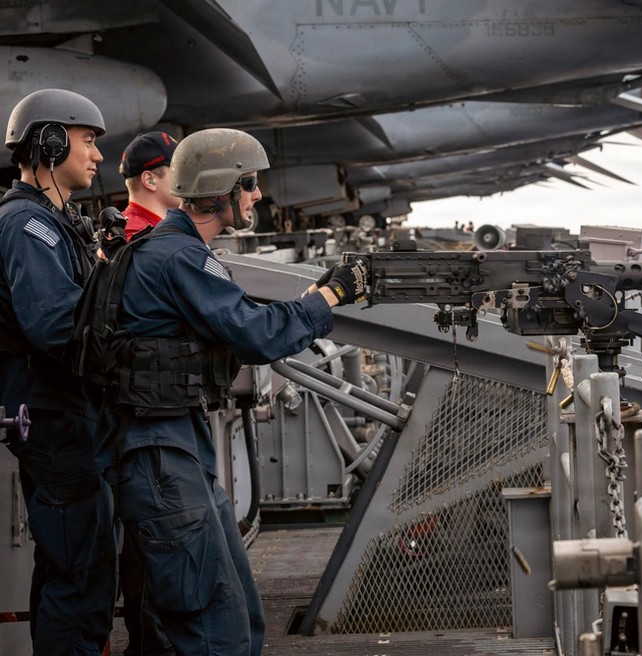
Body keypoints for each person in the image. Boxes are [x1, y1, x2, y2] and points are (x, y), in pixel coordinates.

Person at [99, 127, 367, 656]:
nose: (257, 197)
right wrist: (330, 297)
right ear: (221, 190)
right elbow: (256, 334)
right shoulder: (181, 257)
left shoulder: (174, 253)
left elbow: (238, 327)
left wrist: (308, 302)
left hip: (174, 446)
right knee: (211, 630)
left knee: (238, 615)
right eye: (249, 186)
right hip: (162, 456)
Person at [0, 88, 116, 654]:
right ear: (50, 142)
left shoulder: (55, 221)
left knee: (68, 564)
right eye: (88, 141)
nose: (97, 156)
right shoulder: (29, 226)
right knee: (80, 570)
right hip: (53, 418)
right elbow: (54, 324)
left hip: (63, 414)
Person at [118, 131, 182, 655]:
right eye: (176, 170)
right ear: (152, 178)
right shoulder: (143, 241)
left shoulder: (148, 235)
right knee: (151, 558)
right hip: (145, 416)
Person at [119, 131, 181, 240]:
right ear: (150, 180)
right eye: (178, 170)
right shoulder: (142, 239)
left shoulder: (122, 230)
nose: (188, 178)